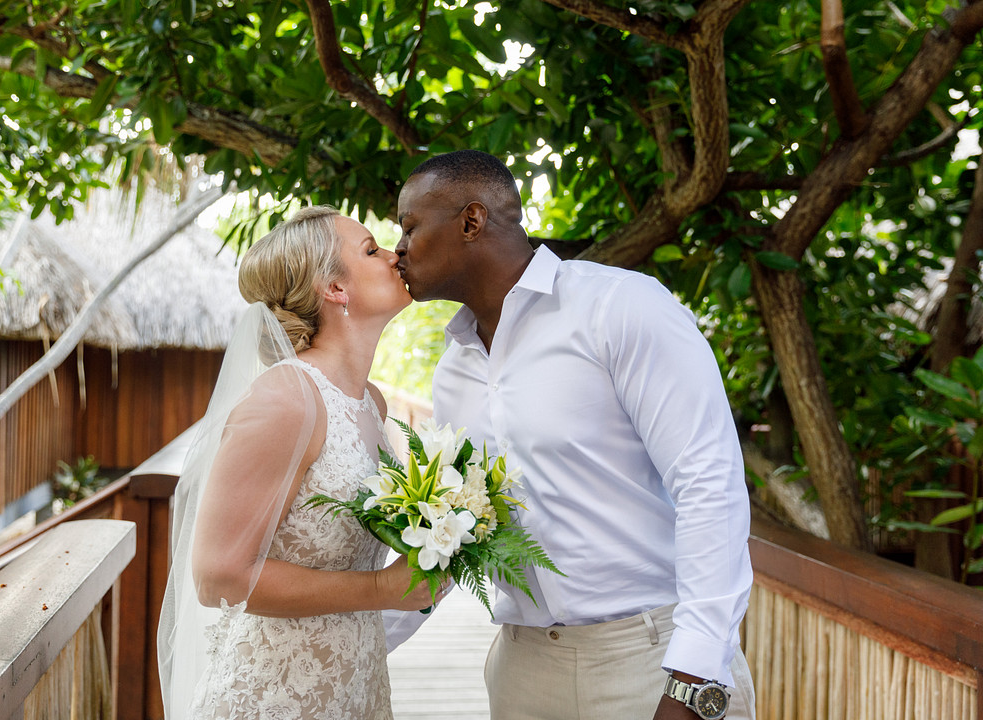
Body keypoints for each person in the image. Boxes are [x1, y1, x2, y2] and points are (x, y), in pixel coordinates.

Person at [392, 150, 756, 720]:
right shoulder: (454, 371)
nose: (398, 249)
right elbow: (461, 536)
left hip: (651, 661)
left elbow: (709, 484)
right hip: (522, 672)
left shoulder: (619, 307)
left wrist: (692, 675)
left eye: (409, 226)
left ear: (471, 221)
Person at [157, 206, 434, 720]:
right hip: (273, 696)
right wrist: (381, 590)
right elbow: (218, 577)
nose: (395, 255)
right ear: (334, 288)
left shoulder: (370, 402)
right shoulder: (287, 398)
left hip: (353, 685)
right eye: (372, 250)